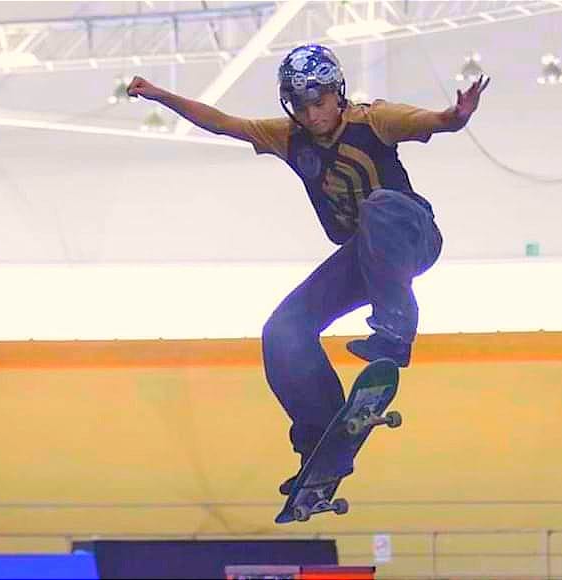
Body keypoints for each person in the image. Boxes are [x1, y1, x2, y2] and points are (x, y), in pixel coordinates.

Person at [127, 44, 489, 494]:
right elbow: (222, 124)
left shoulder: (373, 120)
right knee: (283, 330)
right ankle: (322, 436)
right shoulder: (286, 136)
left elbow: (431, 122)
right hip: (365, 256)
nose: (313, 116)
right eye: (301, 107)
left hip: (411, 234)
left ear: (337, 94)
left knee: (379, 205)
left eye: (319, 103)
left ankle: (395, 333)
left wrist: (456, 115)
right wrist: (161, 94)